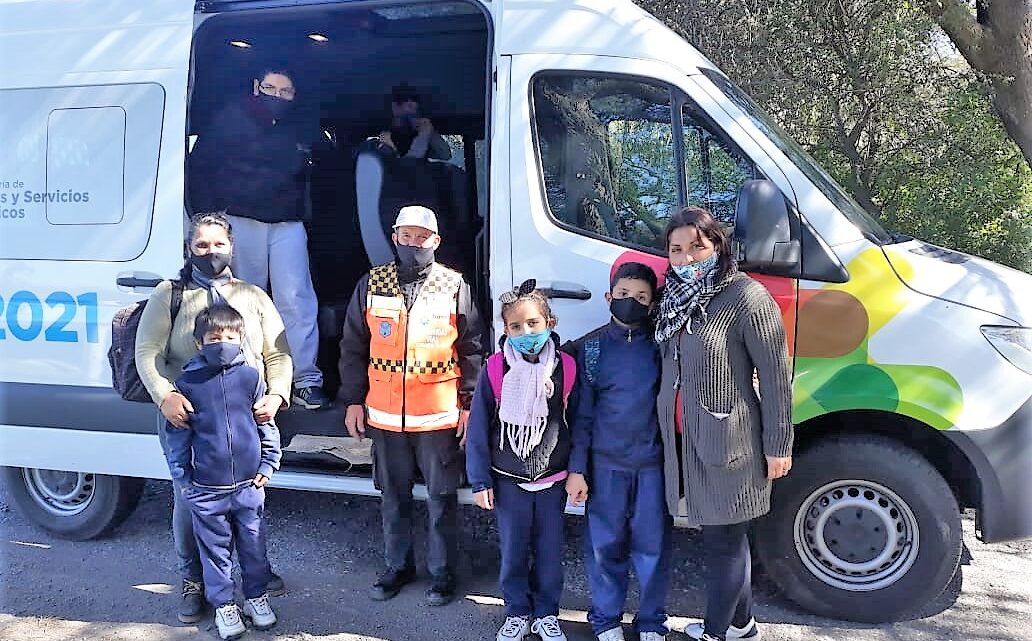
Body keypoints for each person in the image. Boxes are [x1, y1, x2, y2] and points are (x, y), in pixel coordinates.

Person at [135, 212, 292, 625]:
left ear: (232, 247)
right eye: (201, 245)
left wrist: (276, 394)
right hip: (188, 418)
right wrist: (165, 394)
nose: (210, 252)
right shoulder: (169, 294)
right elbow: (147, 352)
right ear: (189, 248)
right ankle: (192, 582)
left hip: (244, 418)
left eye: (218, 244)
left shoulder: (253, 295)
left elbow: (278, 353)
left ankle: (255, 579)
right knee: (190, 503)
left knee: (248, 502)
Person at [654, 207, 793, 641]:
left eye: (697, 246)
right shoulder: (672, 297)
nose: (687, 258)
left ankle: (715, 632)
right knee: (725, 537)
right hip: (687, 440)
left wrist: (778, 444)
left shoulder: (745, 297)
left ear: (718, 245)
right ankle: (742, 625)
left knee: (725, 542)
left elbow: (775, 378)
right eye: (676, 250)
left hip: (732, 444)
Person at [338, 205, 483, 606]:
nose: (413, 243)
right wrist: (352, 401)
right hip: (384, 415)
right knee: (393, 497)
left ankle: (442, 575)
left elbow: (472, 349)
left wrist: (469, 405)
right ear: (395, 237)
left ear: (435, 241)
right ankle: (397, 568)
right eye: (407, 236)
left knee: (442, 499)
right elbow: (353, 345)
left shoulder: (453, 284)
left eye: (422, 237)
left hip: (438, 414)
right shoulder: (372, 282)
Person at [187, 67, 329, 410]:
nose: (276, 96)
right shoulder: (229, 119)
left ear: (295, 94)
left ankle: (304, 378)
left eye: (285, 90)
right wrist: (210, 217)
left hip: (288, 222)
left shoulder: (305, 124)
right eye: (270, 88)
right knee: (241, 299)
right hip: (240, 219)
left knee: (296, 299)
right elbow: (200, 167)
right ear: (256, 86)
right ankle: (244, 374)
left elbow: (324, 171)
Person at [466, 280, 578, 641]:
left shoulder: (567, 369)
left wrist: (577, 471)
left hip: (552, 480)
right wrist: (480, 480)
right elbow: (481, 427)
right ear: (505, 329)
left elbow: (581, 422)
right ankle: (516, 610)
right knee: (513, 552)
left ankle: (546, 612)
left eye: (533, 323)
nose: (525, 332)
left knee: (548, 554)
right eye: (515, 326)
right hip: (508, 480)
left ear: (550, 323)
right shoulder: (496, 369)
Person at [162, 304, 281, 640]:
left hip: (249, 485)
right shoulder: (188, 384)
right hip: (207, 489)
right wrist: (184, 480)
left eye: (231, 336)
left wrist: (268, 463)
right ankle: (224, 605)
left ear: (241, 338)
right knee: (215, 552)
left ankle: (257, 597)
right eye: (215, 337)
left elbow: (266, 425)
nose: (223, 342)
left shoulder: (251, 377)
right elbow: (178, 438)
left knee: (254, 547)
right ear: (200, 343)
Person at [565, 262, 670, 641]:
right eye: (624, 295)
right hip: (605, 465)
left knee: (652, 547)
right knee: (603, 546)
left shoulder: (662, 346)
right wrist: (578, 469)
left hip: (652, 466)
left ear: (653, 303)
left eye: (642, 297)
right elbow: (582, 416)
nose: (631, 302)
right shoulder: (589, 349)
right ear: (610, 297)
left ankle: (652, 622)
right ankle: (606, 619)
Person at [375, 84, 452, 161]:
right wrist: (423, 135)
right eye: (410, 106)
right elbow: (408, 167)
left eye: (416, 109)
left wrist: (430, 132)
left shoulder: (417, 135)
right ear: (395, 107)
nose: (413, 112)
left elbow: (445, 155)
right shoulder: (383, 140)